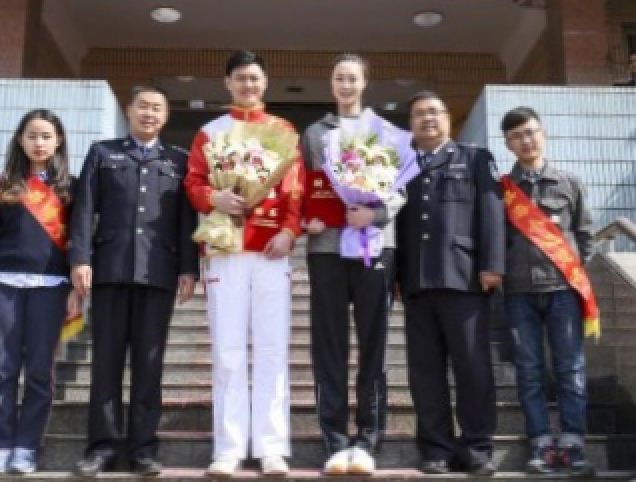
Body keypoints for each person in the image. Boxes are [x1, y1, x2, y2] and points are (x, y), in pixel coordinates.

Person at [184, 50, 304, 477]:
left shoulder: (284, 130)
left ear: (265, 82)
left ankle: (272, 447)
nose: (248, 85)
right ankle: (229, 448)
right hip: (225, 251)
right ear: (227, 83)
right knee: (228, 350)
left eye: (254, 78)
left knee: (273, 348)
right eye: (240, 78)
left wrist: (289, 232)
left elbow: (295, 190)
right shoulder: (210, 131)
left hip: (271, 252)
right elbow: (193, 181)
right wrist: (213, 197)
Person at [71, 86, 199, 476]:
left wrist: (188, 268)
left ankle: (143, 449)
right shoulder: (102, 153)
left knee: (149, 365)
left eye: (157, 108)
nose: (149, 113)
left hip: (157, 273)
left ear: (166, 116)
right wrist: (80, 258)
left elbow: (186, 220)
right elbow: (84, 209)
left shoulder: (178, 160)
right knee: (106, 364)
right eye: (142, 106)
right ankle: (102, 448)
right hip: (109, 270)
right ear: (129, 110)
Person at [301, 53, 405, 475]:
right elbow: (302, 186)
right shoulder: (314, 133)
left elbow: (400, 189)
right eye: (339, 78)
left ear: (364, 83)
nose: (345, 85)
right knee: (328, 346)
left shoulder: (387, 132)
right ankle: (334, 440)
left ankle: (367, 439)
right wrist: (305, 218)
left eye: (352, 78)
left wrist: (375, 215)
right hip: (326, 247)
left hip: (375, 248)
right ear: (331, 84)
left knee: (373, 344)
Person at [396, 90, 505, 475]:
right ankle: (437, 449)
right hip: (416, 281)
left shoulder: (475, 158)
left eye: (434, 112)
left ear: (448, 118)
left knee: (472, 367)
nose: (427, 119)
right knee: (425, 373)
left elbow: (492, 212)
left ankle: (477, 447)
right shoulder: (401, 165)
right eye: (419, 114)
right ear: (410, 124)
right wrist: (397, 275)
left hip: (465, 278)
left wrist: (492, 265)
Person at [500, 107, 596, 476]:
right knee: (529, 370)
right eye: (517, 136)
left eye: (531, 132)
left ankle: (573, 444)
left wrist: (572, 272)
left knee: (571, 367)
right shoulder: (501, 190)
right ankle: (540, 442)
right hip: (518, 293)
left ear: (543, 134)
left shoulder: (569, 183)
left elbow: (585, 236)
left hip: (562, 291)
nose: (526, 140)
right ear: (508, 144)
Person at [0, 109, 81, 474]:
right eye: (32, 136)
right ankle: (3, 442)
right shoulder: (5, 185)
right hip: (5, 284)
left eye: (46, 136)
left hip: (50, 287)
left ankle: (26, 446)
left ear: (58, 141)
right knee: (3, 368)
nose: (39, 143)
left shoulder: (71, 188)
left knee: (38, 371)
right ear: (20, 140)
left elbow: (79, 239)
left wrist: (76, 288)